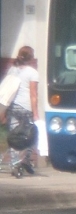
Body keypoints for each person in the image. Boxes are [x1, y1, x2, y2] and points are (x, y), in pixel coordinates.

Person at [5, 46, 39, 178]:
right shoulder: (32, 72)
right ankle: (26, 160)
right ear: (31, 58)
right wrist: (35, 113)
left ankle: (14, 165)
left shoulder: (12, 70)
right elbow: (33, 94)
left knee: (14, 136)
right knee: (31, 134)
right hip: (26, 107)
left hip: (13, 106)